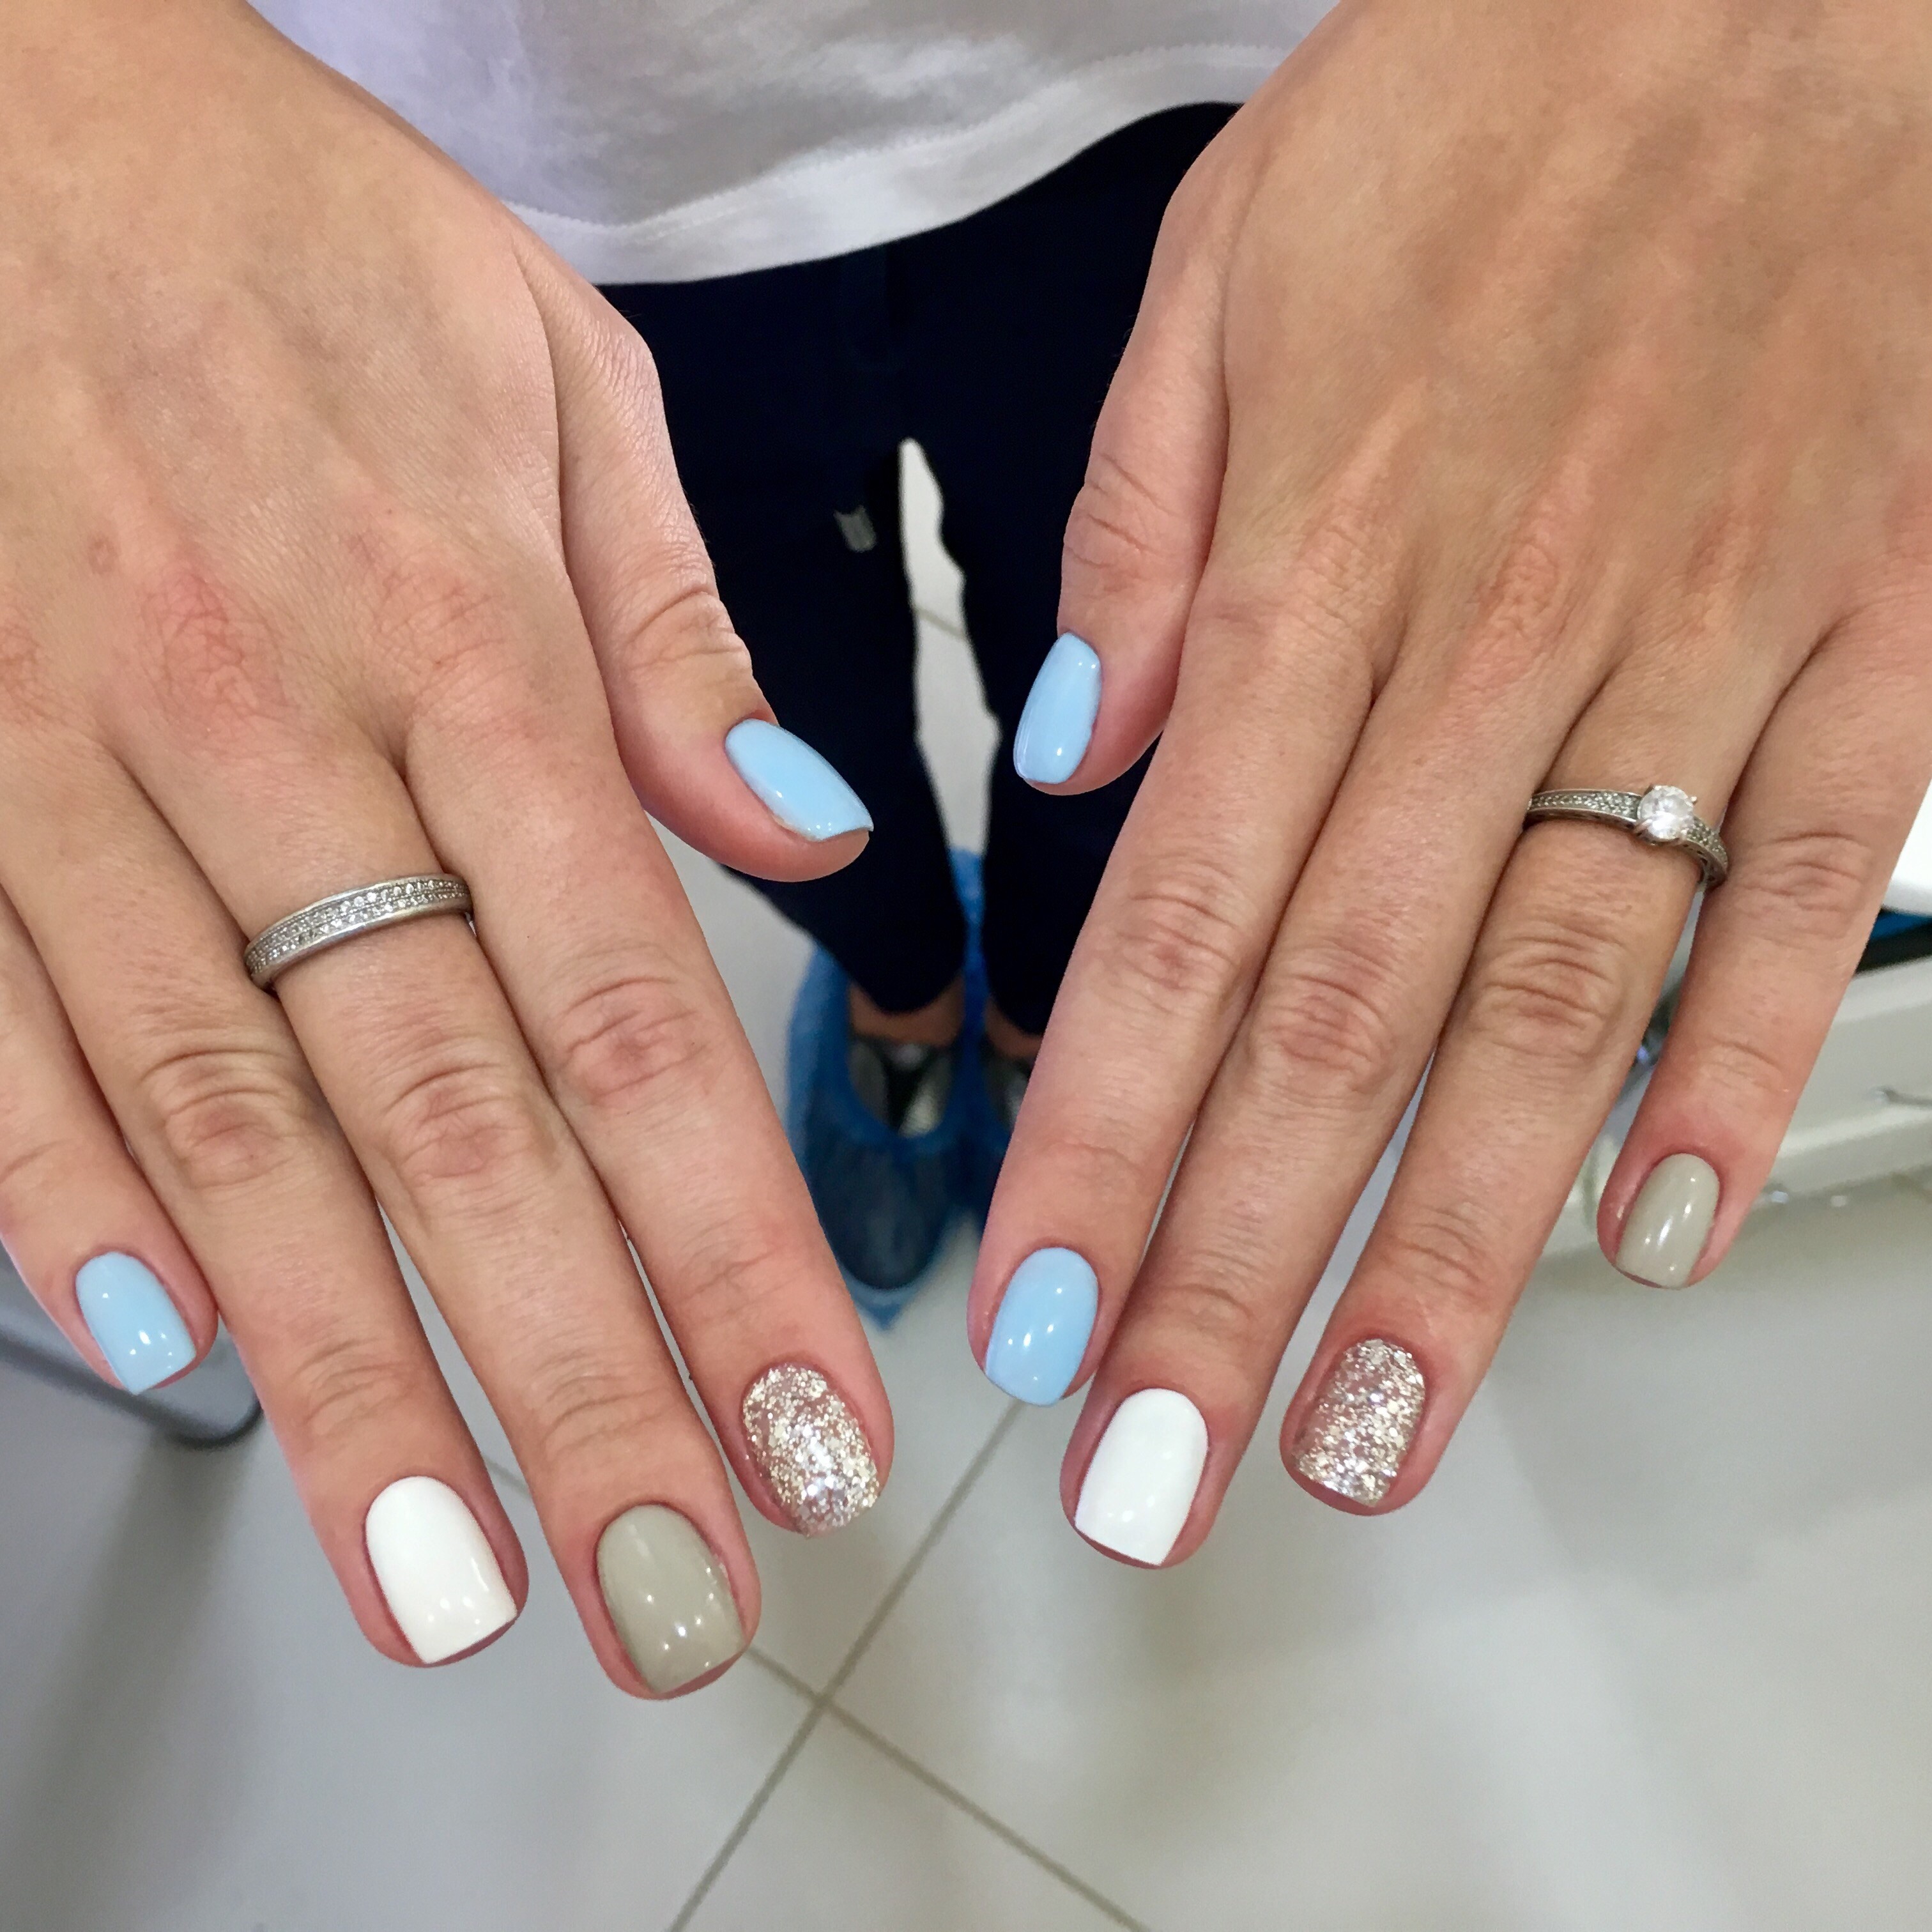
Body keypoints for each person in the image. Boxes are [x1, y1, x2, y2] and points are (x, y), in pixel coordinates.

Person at [1, 0, 1926, 1696]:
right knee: (769, 752)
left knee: (1126, 727)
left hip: (1188, 84)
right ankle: (910, 1005)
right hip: (514, 151)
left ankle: (1021, 1032)